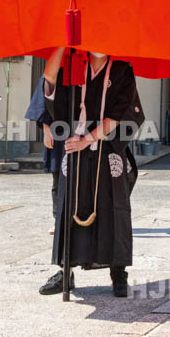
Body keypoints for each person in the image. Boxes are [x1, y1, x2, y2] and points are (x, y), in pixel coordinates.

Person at [37, 47, 145, 297]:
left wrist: (89, 138)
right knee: (68, 206)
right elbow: (50, 81)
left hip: (107, 146)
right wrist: (62, 44)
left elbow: (119, 114)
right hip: (76, 146)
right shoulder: (74, 64)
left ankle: (119, 273)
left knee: (114, 208)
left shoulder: (121, 69)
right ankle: (66, 271)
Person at [25, 80, 64, 234]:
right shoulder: (52, 72)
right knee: (58, 179)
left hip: (82, 131)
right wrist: (46, 131)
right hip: (58, 132)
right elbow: (41, 103)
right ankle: (58, 220)